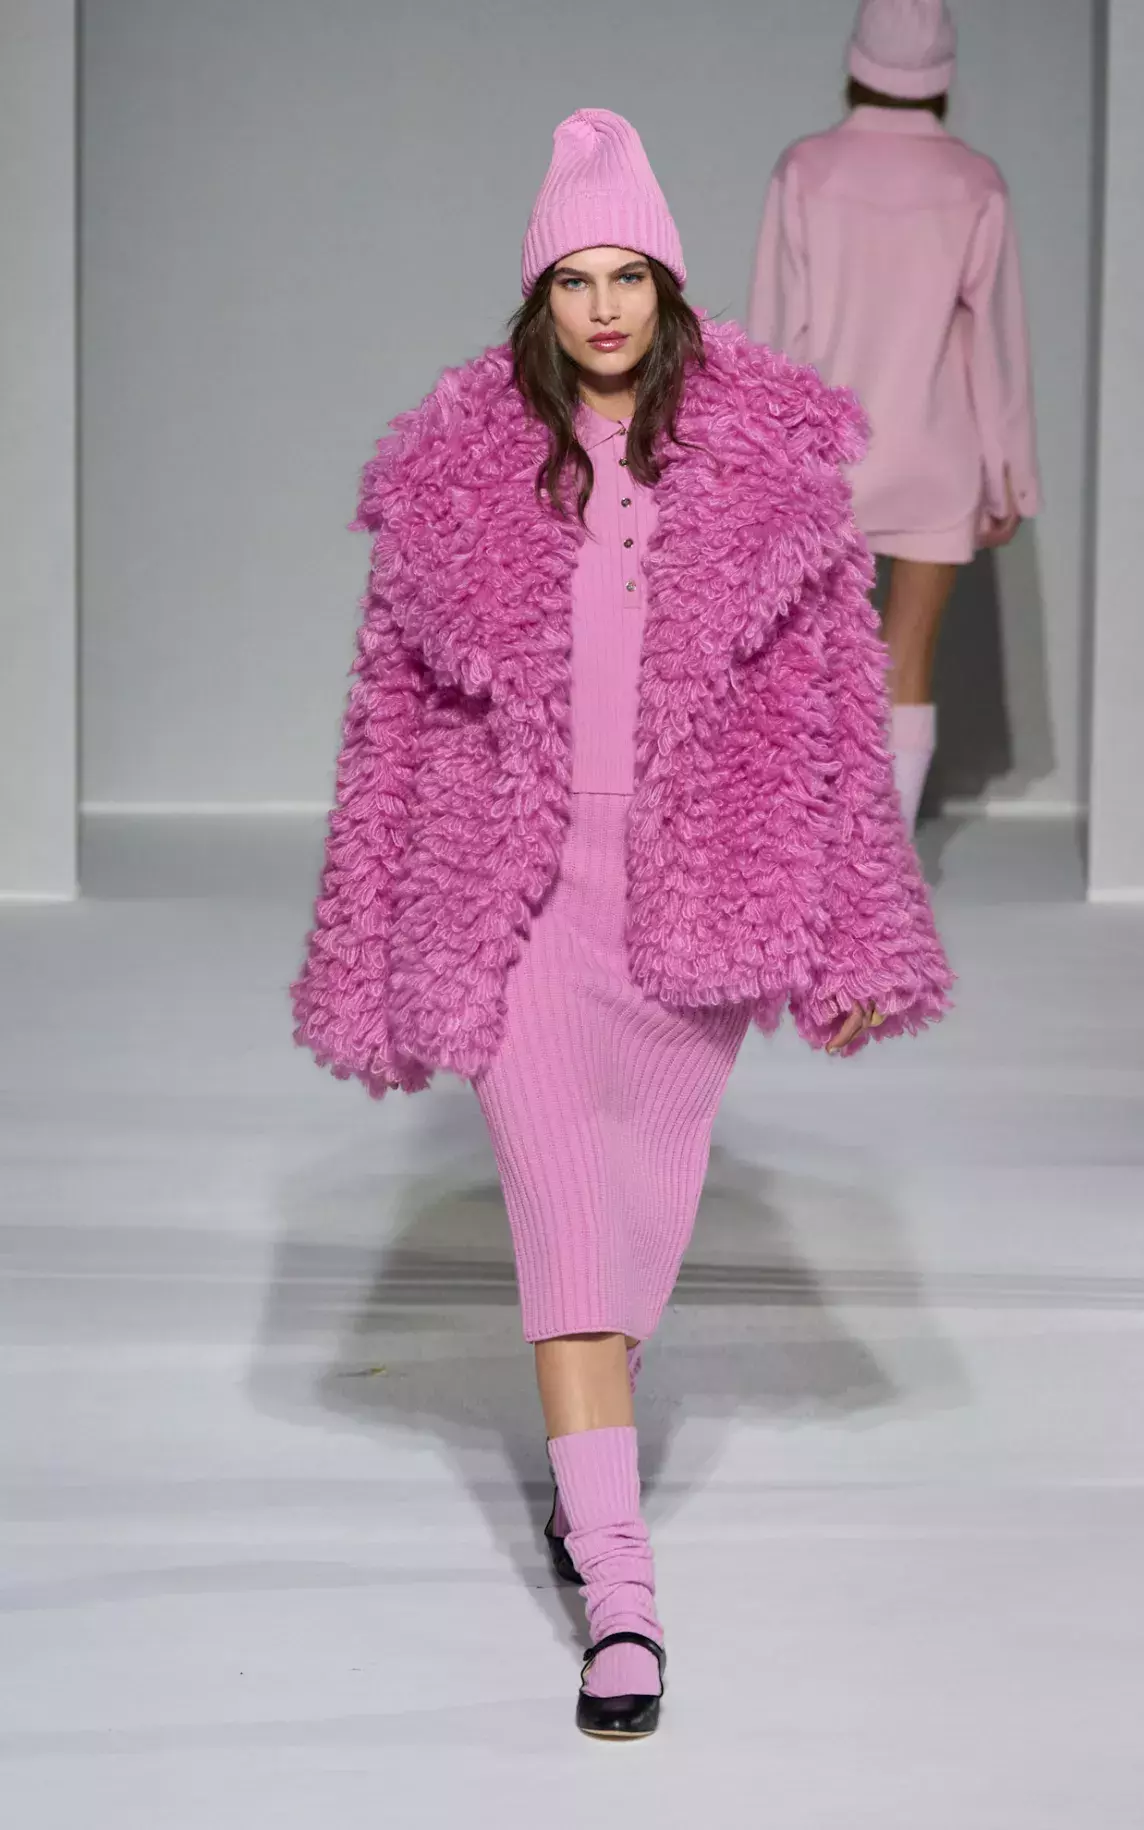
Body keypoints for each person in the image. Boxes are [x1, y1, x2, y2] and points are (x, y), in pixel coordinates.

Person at [293, 108, 952, 1740]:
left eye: (628, 276)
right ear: (540, 296)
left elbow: (838, 716)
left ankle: (585, 1476)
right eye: (574, 279)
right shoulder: (456, 482)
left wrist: (859, 936)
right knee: (570, 1242)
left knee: (635, 1229)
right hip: (513, 905)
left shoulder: (770, 476)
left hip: (685, 905)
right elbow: (387, 732)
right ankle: (623, 1592)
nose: (602, 308)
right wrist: (366, 946)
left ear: (668, 286)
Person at [749, 0, 1041, 832]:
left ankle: (813, 858)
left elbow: (777, 335)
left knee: (809, 664)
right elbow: (998, 347)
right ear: (942, 76)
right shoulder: (974, 183)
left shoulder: (807, 171)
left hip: (830, 461)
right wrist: (1010, 477)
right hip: (936, 458)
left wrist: (758, 465)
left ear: (857, 64)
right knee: (907, 659)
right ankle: (888, 866)